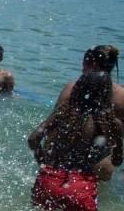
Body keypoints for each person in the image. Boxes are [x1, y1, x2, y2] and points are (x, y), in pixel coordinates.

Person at [28, 71, 122, 211]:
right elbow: (117, 160)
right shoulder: (111, 123)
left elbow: (33, 139)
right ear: (107, 94)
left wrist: (43, 162)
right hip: (81, 186)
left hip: (49, 179)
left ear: (79, 88)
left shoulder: (63, 112)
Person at [43, 45, 123, 180]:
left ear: (92, 64)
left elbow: (51, 128)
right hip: (102, 160)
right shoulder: (121, 96)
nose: (81, 68)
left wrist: (45, 159)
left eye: (84, 63)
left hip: (65, 156)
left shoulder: (72, 88)